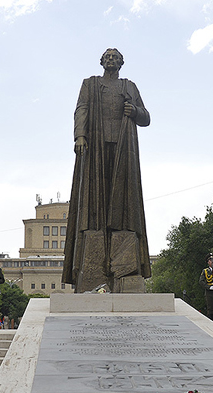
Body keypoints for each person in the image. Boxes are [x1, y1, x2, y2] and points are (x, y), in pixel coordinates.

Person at [63, 48, 152, 293]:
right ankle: (94, 265)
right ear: (102, 62)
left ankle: (123, 268)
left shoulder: (130, 87)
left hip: (124, 147)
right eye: (107, 56)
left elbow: (146, 117)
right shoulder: (90, 85)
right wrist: (80, 135)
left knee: (123, 202)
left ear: (121, 63)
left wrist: (134, 111)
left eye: (115, 57)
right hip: (96, 146)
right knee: (94, 201)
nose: (111, 59)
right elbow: (81, 109)